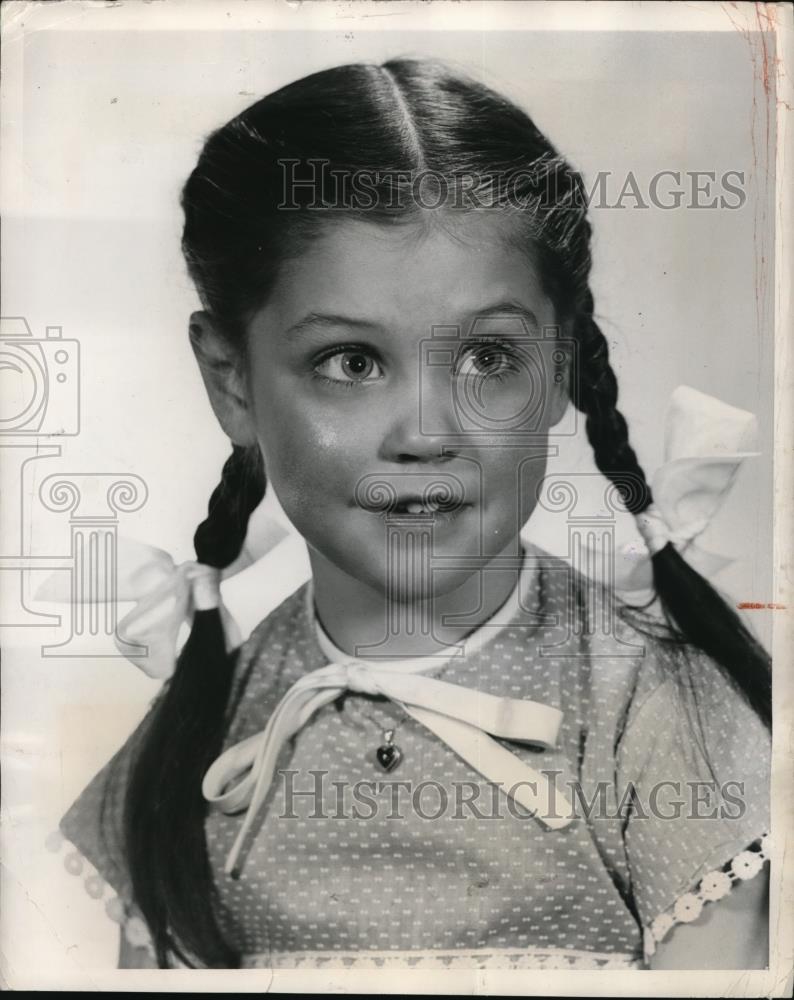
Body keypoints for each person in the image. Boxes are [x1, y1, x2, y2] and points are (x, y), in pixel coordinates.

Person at [53, 58, 771, 971]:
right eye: (349, 362)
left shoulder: (661, 717)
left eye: (485, 358)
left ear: (559, 367)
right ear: (230, 380)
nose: (428, 435)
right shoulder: (198, 735)